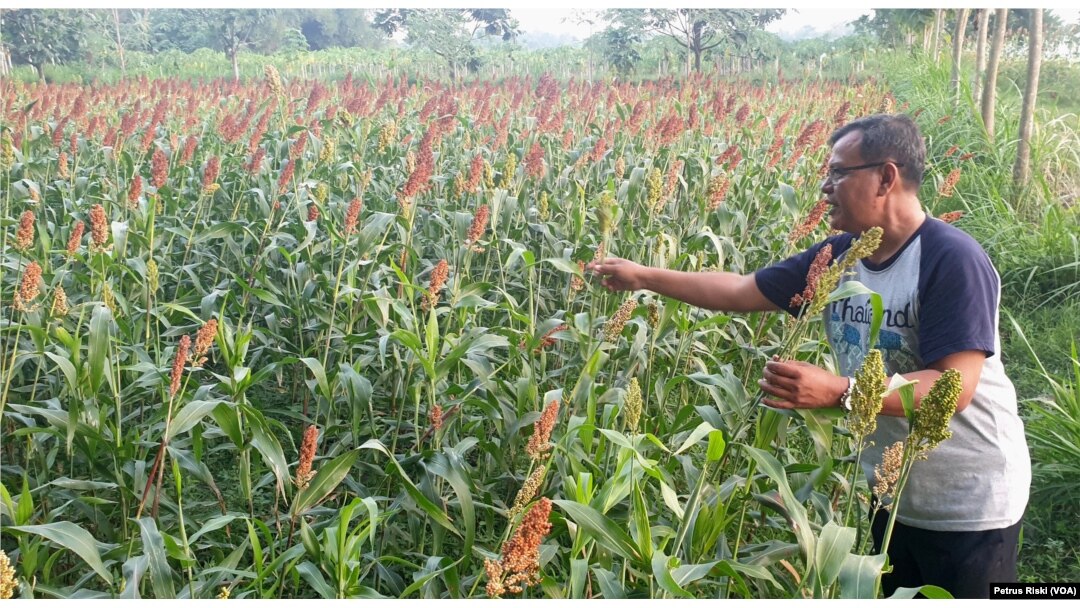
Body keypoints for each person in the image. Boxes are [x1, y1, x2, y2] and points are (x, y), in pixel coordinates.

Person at [588, 114, 1030, 599]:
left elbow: (954, 388)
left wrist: (837, 391)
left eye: (839, 172)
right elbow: (740, 290)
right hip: (893, 489)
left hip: (968, 500)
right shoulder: (841, 256)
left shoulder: (951, 259)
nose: (825, 186)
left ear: (886, 176)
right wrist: (644, 276)